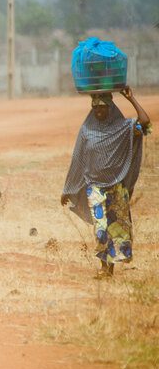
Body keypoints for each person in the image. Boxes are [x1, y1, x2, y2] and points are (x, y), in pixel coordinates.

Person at [61, 87, 151, 277]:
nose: (99, 111)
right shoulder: (87, 131)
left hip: (117, 187)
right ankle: (104, 268)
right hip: (94, 187)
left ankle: (111, 268)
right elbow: (78, 159)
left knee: (117, 229)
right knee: (101, 228)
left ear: (110, 108)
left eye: (103, 107)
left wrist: (131, 98)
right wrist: (68, 189)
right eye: (95, 108)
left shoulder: (123, 128)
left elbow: (144, 123)